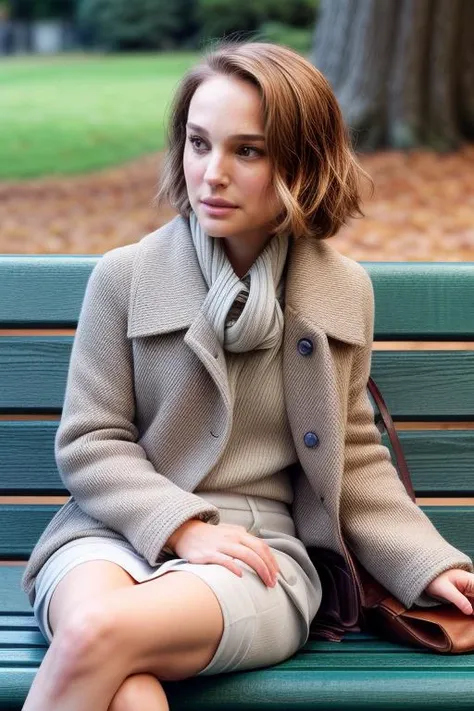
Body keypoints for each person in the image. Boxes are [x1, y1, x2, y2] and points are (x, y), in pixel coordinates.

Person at [21, 40, 474, 711]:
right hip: (110, 533)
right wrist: (183, 528)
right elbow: (90, 442)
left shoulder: (340, 291)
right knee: (125, 681)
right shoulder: (126, 276)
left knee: (98, 638)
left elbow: (350, 456)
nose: (212, 174)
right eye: (199, 144)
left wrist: (432, 563)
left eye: (248, 151)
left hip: (258, 555)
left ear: (302, 161)